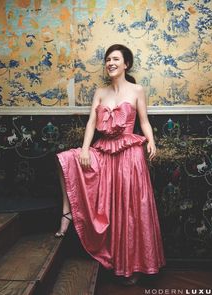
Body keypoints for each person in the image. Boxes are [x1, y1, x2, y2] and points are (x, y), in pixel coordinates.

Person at [55, 44, 165, 284]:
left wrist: (152, 141)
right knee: (66, 159)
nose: (110, 63)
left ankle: (132, 267)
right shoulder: (100, 92)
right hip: (103, 150)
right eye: (107, 59)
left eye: (116, 59)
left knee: (129, 209)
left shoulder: (137, 90)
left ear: (126, 64)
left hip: (129, 155)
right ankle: (68, 213)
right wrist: (85, 149)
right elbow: (91, 123)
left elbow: (144, 122)